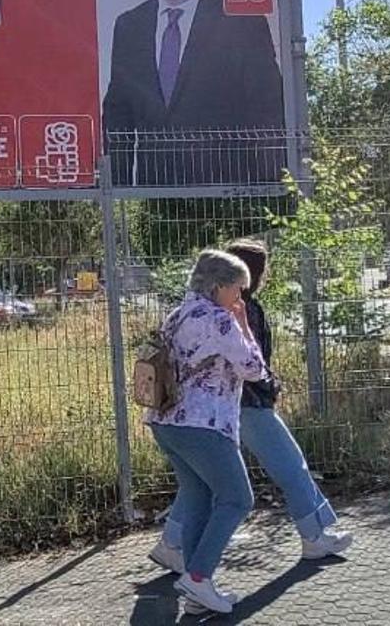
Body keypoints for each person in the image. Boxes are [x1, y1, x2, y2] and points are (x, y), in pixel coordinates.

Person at [149, 238, 354, 579]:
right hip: (243, 404)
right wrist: (271, 384)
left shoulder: (183, 312)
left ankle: (173, 545)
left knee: (200, 485)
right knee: (289, 466)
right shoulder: (238, 312)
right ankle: (314, 535)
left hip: (190, 412)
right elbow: (252, 364)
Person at [101, 0, 284, 187]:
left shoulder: (241, 20)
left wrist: (271, 190)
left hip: (227, 195)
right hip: (156, 194)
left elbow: (268, 113)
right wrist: (117, 193)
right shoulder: (129, 26)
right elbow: (118, 116)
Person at [145, 249, 269, 614]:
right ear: (218, 286)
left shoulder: (178, 314)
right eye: (237, 288)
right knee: (237, 499)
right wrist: (243, 324)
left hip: (166, 421)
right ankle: (198, 578)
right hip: (205, 424)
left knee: (198, 496)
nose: (240, 296)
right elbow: (253, 369)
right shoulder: (220, 320)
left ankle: (197, 592)